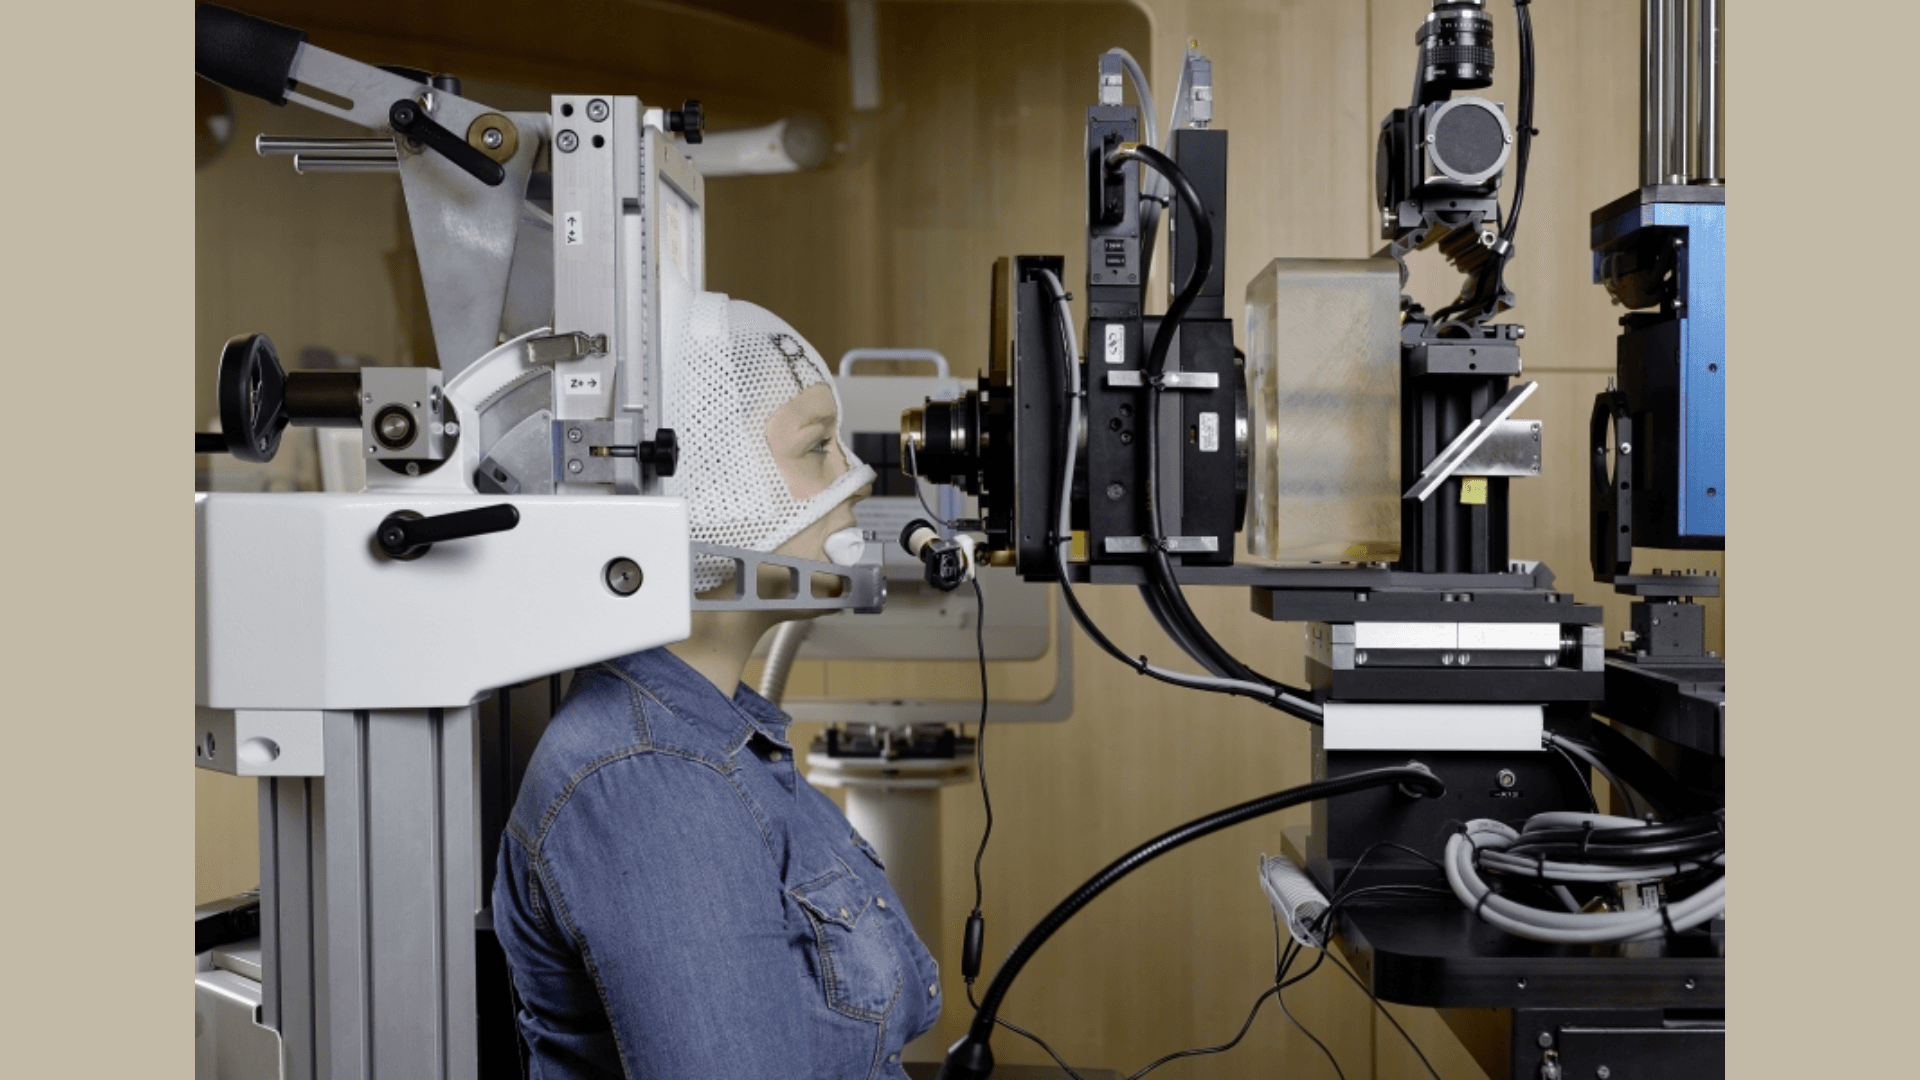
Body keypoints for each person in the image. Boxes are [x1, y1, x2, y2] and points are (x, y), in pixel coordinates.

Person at [492, 290, 942, 1079]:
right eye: (818, 448)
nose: (856, 478)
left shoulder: (711, 735)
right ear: (706, 485)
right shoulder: (651, 783)